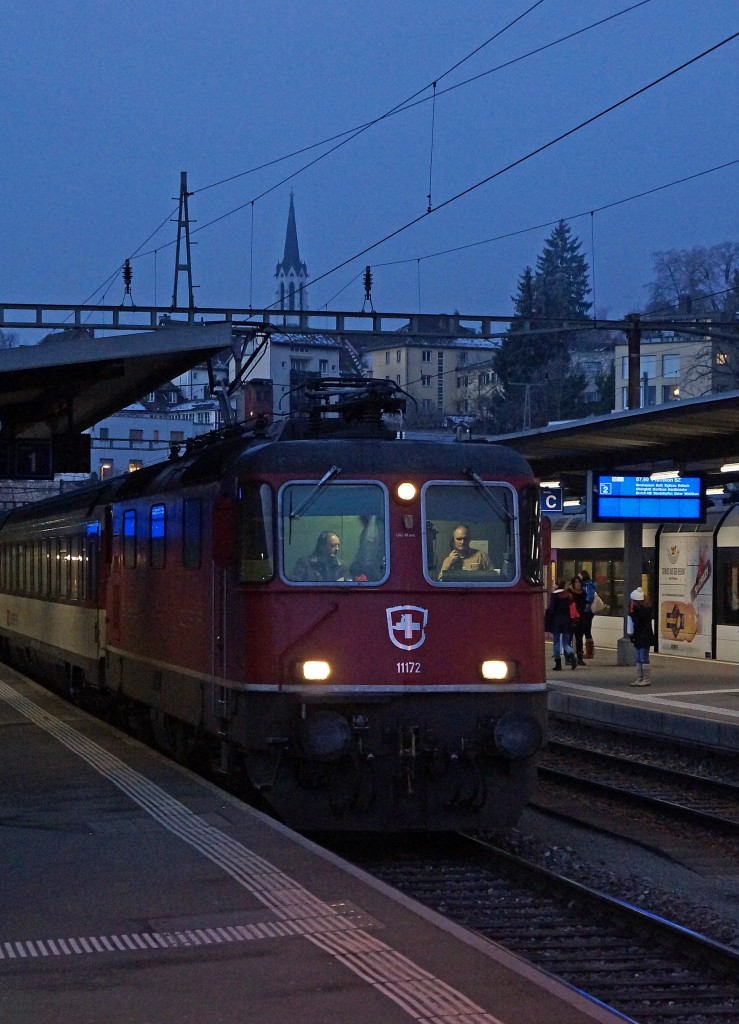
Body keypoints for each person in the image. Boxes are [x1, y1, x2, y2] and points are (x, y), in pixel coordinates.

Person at [544, 579, 578, 670]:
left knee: (556, 642)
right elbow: (572, 609)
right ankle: (571, 654)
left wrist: (547, 620)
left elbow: (551, 609)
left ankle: (558, 664)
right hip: (567, 621)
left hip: (556, 622)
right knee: (566, 643)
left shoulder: (554, 595)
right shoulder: (569, 596)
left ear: (556, 585)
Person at [628, 586, 655, 686]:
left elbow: (637, 622)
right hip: (641, 636)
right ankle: (640, 678)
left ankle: (646, 679)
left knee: (643, 657)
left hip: (643, 636)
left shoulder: (643, 611)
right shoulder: (642, 609)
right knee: (639, 658)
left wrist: (632, 613)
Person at [577, 569, 596, 658]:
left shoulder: (588, 586)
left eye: (579, 575)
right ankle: (589, 651)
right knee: (586, 630)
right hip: (587, 611)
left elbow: (590, 596)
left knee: (586, 630)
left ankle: (589, 652)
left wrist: (585, 604)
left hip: (586, 612)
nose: (578, 577)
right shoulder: (588, 585)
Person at [569, 576, 587, 665]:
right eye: (576, 582)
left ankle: (580, 658)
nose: (578, 584)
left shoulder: (584, 593)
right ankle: (568, 657)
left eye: (579, 582)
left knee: (579, 639)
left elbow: (585, 604)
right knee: (569, 638)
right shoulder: (569, 593)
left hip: (581, 618)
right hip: (571, 618)